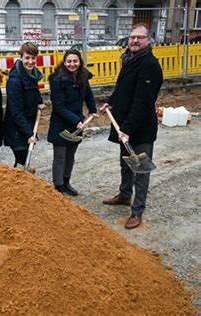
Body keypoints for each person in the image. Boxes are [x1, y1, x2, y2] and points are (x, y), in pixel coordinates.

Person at [100, 23, 163, 229]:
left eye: (140, 38)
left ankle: (137, 211)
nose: (134, 41)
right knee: (126, 163)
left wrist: (126, 128)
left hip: (140, 128)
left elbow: (142, 102)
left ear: (148, 40)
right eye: (132, 37)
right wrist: (111, 100)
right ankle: (125, 195)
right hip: (124, 126)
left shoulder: (149, 65)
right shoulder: (129, 60)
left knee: (141, 169)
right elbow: (123, 88)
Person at [48, 49, 97, 195]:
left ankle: (66, 182)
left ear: (80, 62)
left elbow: (88, 94)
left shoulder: (82, 76)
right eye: (69, 61)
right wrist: (77, 121)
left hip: (77, 122)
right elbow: (59, 106)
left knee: (71, 155)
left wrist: (92, 109)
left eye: (75, 61)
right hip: (61, 123)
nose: (72, 64)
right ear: (64, 62)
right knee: (60, 156)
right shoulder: (56, 80)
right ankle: (58, 186)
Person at [4, 42, 43, 167]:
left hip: (28, 124)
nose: (30, 61)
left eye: (33, 58)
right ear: (21, 57)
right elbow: (16, 112)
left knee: (25, 161)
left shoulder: (32, 74)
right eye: (27, 58)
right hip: (17, 129)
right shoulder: (15, 80)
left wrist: (40, 101)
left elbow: (34, 91)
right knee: (22, 162)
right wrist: (29, 134)